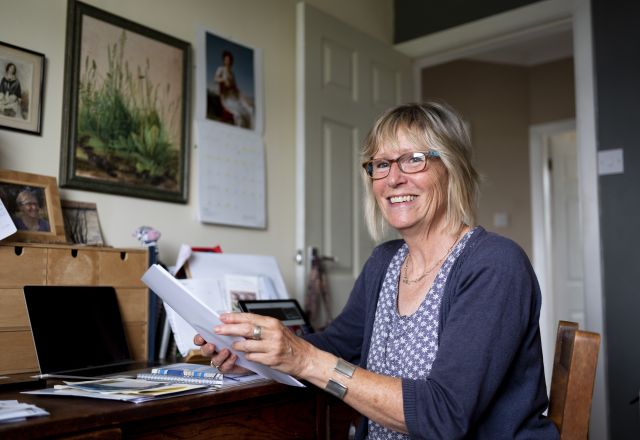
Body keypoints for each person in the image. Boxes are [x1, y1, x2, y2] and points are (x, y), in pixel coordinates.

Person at [195, 101, 559, 439]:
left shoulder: (494, 263)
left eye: (413, 160)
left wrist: (302, 358)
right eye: (381, 164)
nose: (393, 178)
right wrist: (254, 356)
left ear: (451, 168)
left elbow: (445, 415)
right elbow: (335, 347)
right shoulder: (384, 262)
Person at [213, 50, 252, 128]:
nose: (228, 61)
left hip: (234, 95)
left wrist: (241, 95)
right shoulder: (221, 69)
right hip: (226, 96)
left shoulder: (232, 73)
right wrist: (223, 79)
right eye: (226, 59)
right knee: (239, 113)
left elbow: (235, 86)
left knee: (248, 109)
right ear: (224, 60)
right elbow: (215, 79)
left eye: (230, 60)